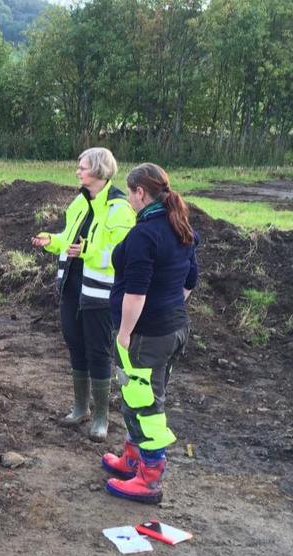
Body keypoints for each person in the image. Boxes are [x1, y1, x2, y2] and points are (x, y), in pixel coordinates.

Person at [102, 163, 198, 504]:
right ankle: (134, 458)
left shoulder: (146, 234)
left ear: (140, 193)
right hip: (173, 329)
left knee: (145, 405)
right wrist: (169, 306)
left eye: (130, 192)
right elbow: (189, 281)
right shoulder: (179, 225)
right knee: (138, 395)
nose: (128, 198)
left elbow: (137, 292)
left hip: (146, 335)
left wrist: (126, 332)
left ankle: (149, 478)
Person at [32, 148, 136, 441]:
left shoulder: (120, 209)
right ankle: (80, 409)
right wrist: (51, 240)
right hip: (72, 286)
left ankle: (101, 417)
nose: (77, 171)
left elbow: (122, 252)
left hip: (100, 293)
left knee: (99, 351)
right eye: (78, 167)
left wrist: (88, 252)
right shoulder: (79, 202)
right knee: (76, 345)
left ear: (100, 170)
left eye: (83, 167)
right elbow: (69, 239)